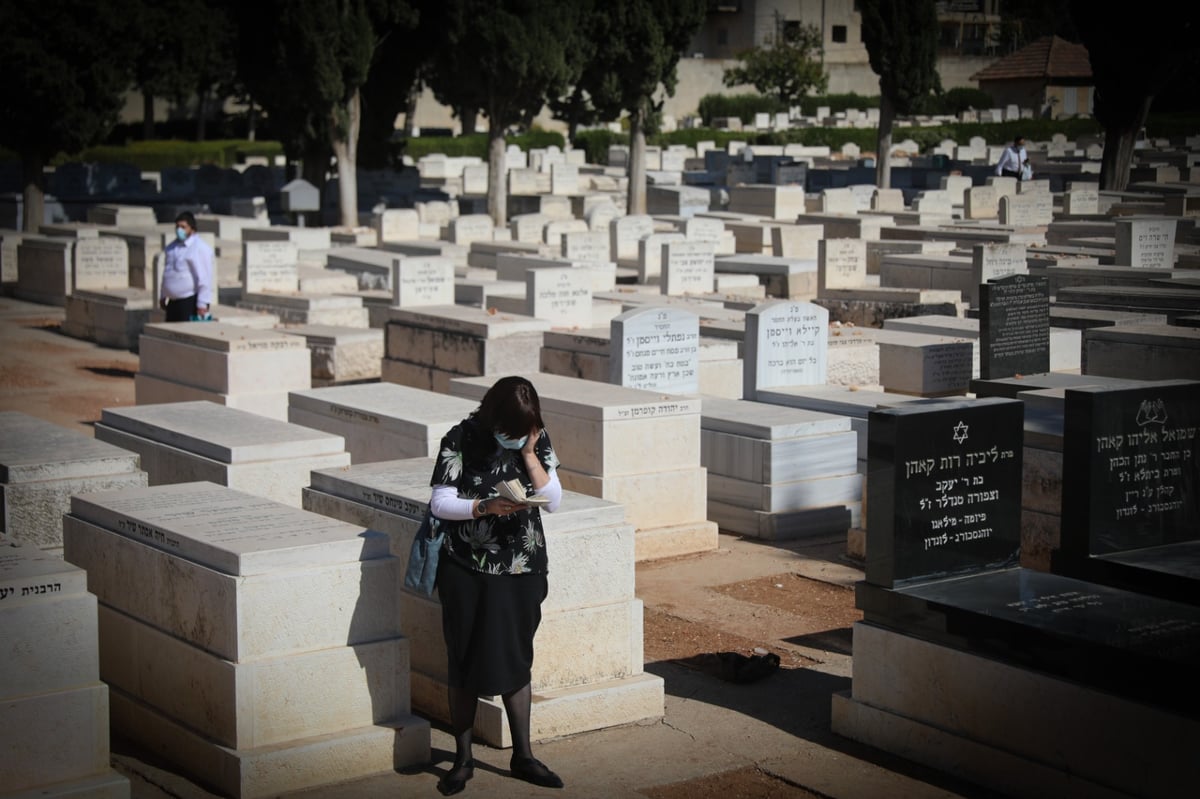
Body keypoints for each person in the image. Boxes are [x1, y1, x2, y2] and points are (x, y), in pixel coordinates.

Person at [427, 376, 565, 796]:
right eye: (513, 429)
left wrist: (528, 454)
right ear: (494, 417)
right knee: (465, 658)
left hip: (522, 567)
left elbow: (555, 499)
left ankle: (522, 755)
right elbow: (438, 501)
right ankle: (463, 759)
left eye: (526, 429)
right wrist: (483, 506)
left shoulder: (534, 440)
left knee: (516, 656)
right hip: (468, 567)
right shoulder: (461, 437)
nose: (519, 435)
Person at [159, 211, 214, 322]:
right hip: (172, 301)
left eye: (183, 227)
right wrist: (163, 295)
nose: (180, 230)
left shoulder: (199, 248)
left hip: (188, 301)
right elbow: (168, 272)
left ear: (192, 229)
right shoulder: (172, 247)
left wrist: (202, 303)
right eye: (178, 226)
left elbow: (204, 277)